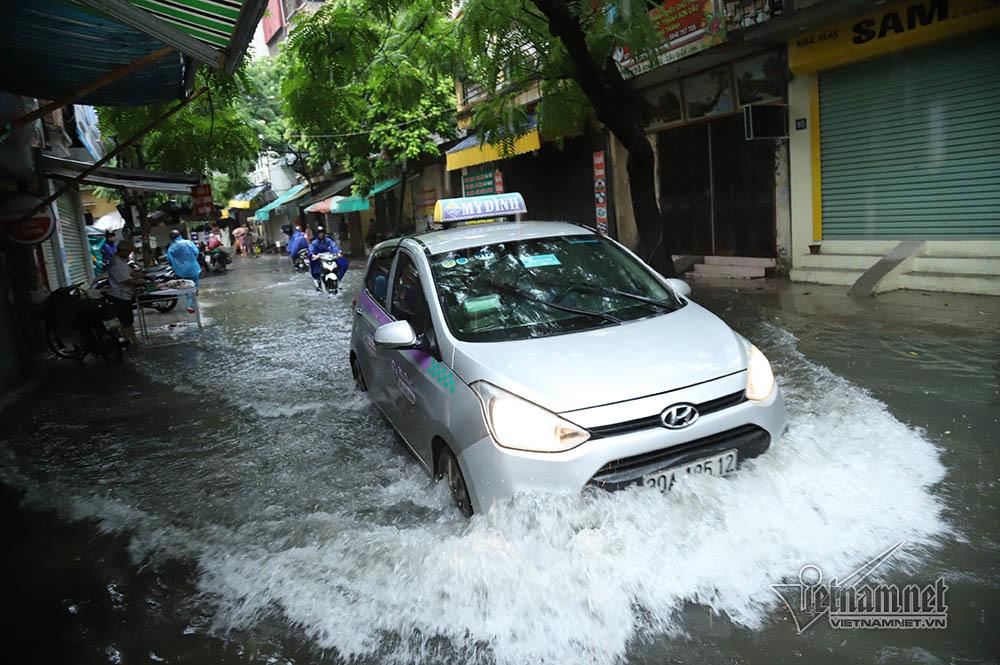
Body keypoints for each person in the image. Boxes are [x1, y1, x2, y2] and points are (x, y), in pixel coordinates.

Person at [106, 240, 145, 347]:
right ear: (122, 251)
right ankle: (129, 341)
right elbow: (126, 281)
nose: (129, 254)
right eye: (128, 252)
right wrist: (142, 282)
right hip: (119, 296)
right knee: (125, 321)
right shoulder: (115, 264)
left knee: (128, 320)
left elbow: (131, 273)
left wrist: (145, 276)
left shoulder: (121, 261)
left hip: (125, 296)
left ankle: (133, 340)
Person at [166, 229, 202, 313]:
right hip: (193, 268)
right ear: (180, 235)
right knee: (195, 285)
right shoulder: (188, 242)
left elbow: (169, 261)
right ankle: (194, 299)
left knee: (187, 287)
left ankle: (190, 304)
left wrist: (177, 266)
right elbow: (196, 252)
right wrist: (192, 259)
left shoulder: (171, 248)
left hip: (181, 272)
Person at [308, 226, 348, 291]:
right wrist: (313, 255)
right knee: (314, 266)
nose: (321, 234)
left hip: (330, 258)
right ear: (317, 234)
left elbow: (334, 247)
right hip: (319, 259)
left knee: (344, 263)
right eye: (319, 233)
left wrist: (338, 253)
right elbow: (311, 251)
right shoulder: (314, 243)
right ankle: (318, 281)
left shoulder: (328, 240)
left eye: (322, 232)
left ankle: (339, 278)